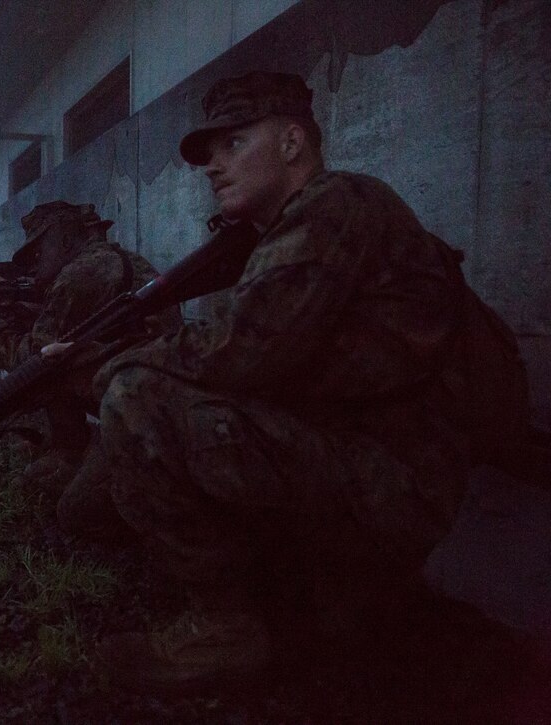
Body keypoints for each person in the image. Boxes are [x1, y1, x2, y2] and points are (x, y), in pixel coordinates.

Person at [55, 71, 533, 691]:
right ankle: (297, 592)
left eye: (234, 144)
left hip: (396, 483)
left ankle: (227, 628)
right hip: (362, 460)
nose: (212, 166)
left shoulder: (335, 207)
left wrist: (99, 366)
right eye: (210, 153)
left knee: (135, 397)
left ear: (290, 143)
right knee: (97, 489)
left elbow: (240, 352)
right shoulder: (296, 225)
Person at [0, 201, 180, 489]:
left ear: (65, 240)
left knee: (76, 511)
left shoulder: (79, 275)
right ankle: (69, 450)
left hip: (143, 408)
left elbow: (32, 360)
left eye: (38, 251)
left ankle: (76, 456)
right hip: (147, 386)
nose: (34, 263)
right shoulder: (111, 259)